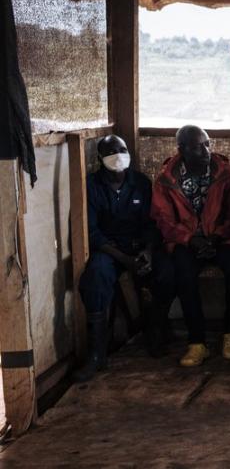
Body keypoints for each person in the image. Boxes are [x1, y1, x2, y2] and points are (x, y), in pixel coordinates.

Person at [151, 125, 230, 368]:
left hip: (221, 239)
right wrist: (191, 240)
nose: (205, 150)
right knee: (183, 273)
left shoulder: (226, 173)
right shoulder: (166, 179)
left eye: (207, 144)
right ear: (181, 149)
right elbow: (164, 220)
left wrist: (215, 238)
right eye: (197, 146)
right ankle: (197, 342)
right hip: (187, 241)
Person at [73, 135, 161, 382]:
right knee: (95, 278)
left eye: (122, 150)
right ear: (100, 158)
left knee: (164, 271)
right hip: (109, 249)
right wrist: (123, 259)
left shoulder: (141, 183)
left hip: (138, 247)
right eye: (111, 152)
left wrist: (148, 251)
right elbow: (91, 232)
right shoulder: (91, 186)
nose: (118, 155)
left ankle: (155, 333)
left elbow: (152, 223)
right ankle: (96, 354)